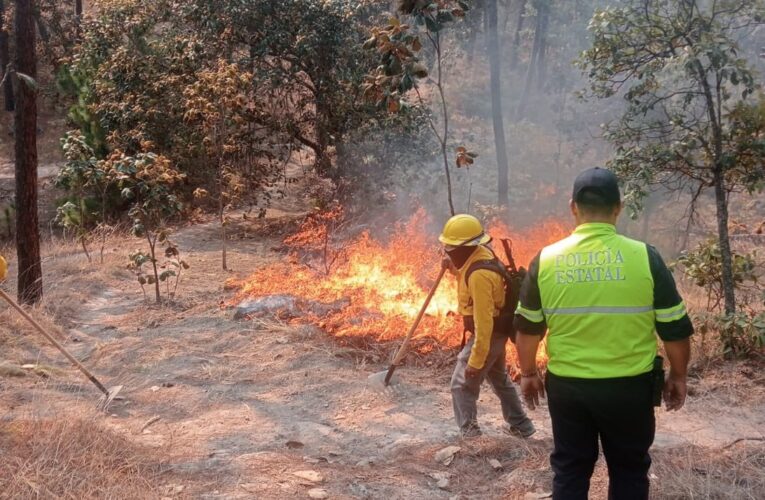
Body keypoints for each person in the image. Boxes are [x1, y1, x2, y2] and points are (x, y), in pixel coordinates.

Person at [513, 167, 694, 499]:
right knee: (629, 469)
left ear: (573, 207)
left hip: (568, 388)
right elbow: (675, 329)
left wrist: (528, 373)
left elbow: (527, 329)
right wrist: (678, 376)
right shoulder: (645, 257)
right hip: (629, 388)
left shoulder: (546, 259)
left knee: (570, 469)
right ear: (619, 207)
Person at [440, 214, 535, 438]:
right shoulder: (480, 256)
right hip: (496, 333)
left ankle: (470, 434)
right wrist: (454, 269)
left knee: (461, 383)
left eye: (451, 247)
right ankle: (521, 425)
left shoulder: (480, 275)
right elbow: (469, 277)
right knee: (499, 379)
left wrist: (475, 360)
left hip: (489, 335)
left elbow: (484, 324)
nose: (447, 250)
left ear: (467, 246)